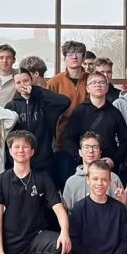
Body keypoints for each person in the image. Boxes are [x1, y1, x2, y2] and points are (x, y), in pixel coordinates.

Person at [6, 67, 71, 178]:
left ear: (32, 81)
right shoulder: (11, 106)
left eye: (26, 81)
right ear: (14, 85)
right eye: (18, 82)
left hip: (44, 160)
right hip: (21, 161)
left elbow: (65, 102)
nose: (22, 85)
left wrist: (36, 91)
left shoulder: (43, 102)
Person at [60, 70, 127, 171]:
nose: (98, 85)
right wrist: (80, 157)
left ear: (107, 87)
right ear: (87, 88)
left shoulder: (115, 113)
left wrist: (114, 160)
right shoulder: (80, 111)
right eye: (94, 83)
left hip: (107, 165)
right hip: (85, 165)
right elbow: (67, 138)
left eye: (102, 82)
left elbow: (125, 141)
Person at [47, 40, 90, 186]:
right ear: (64, 58)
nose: (74, 57)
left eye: (78, 53)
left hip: (89, 139)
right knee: (64, 183)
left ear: (84, 57)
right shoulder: (54, 82)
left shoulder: (91, 80)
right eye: (70, 54)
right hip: (62, 141)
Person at [62, 131, 127, 212]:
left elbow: (126, 213)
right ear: (80, 152)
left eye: (95, 147)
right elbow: (65, 213)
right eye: (86, 147)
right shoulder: (71, 182)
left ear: (100, 153)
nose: (91, 151)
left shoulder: (113, 178)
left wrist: (122, 205)